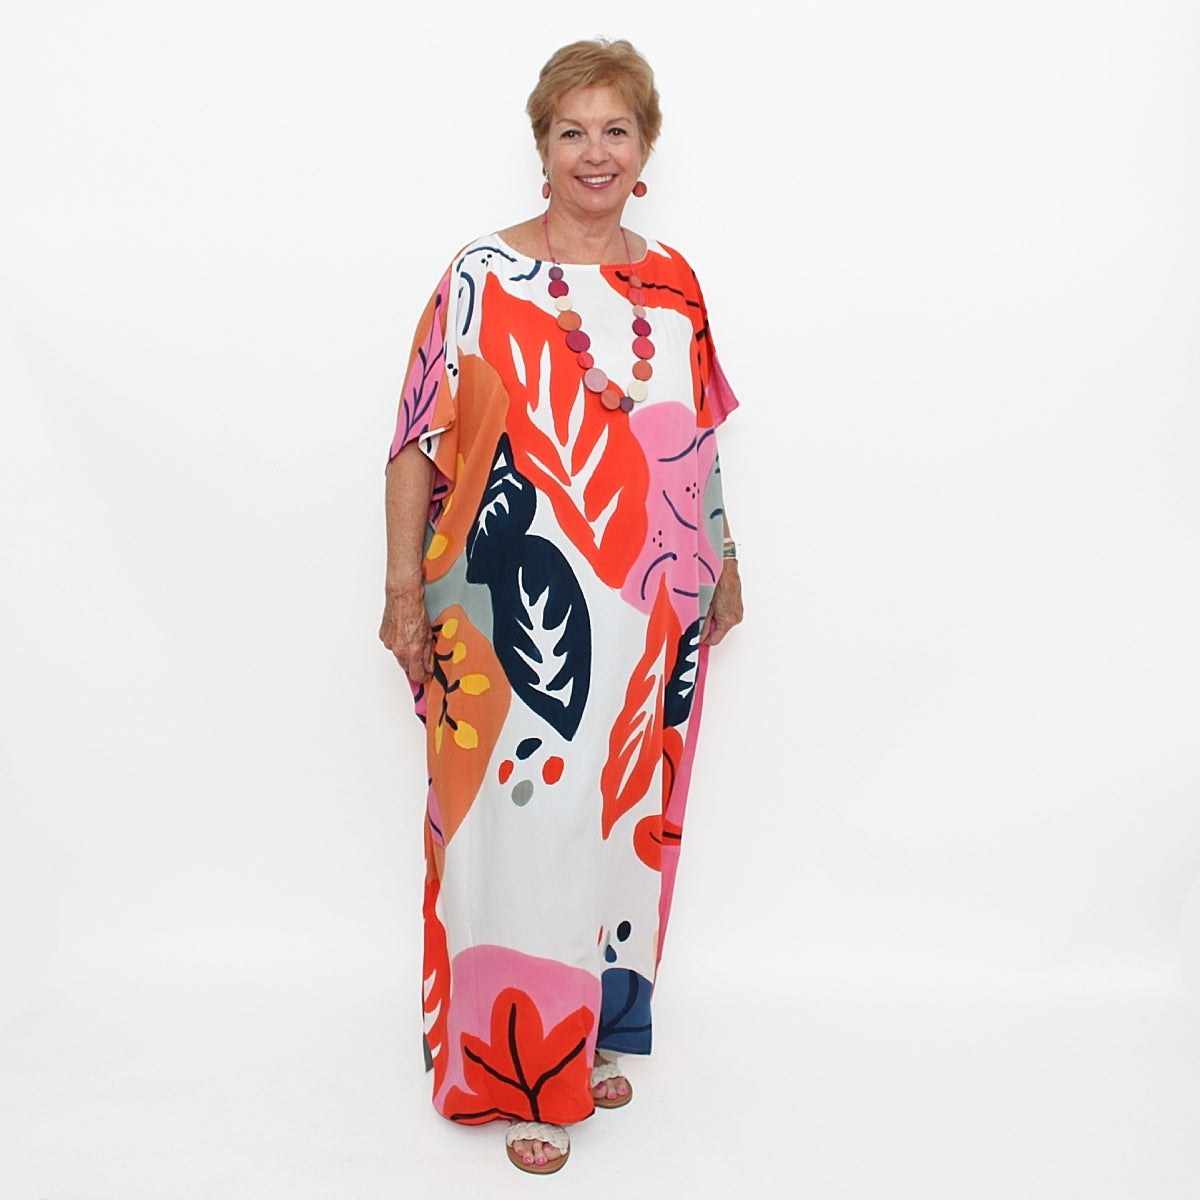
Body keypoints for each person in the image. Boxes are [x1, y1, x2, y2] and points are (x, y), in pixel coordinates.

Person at [379, 37, 743, 1175]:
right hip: (508, 613)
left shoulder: (673, 282)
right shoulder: (481, 276)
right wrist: (400, 589)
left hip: (646, 608)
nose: (596, 152)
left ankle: (581, 1029)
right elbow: (415, 440)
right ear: (541, 148)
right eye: (573, 131)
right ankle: (520, 1073)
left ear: (645, 150)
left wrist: (725, 558)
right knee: (526, 829)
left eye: (616, 130)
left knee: (616, 819)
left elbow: (697, 439)